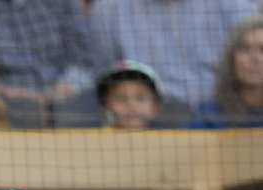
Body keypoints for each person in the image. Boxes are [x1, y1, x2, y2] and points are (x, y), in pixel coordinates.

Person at [89, 0, 257, 110]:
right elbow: (102, 76)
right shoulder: (109, 9)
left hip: (221, 117)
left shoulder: (236, 6)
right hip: (145, 123)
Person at [0, 0, 95, 108]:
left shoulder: (64, 3)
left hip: (68, 106)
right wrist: (6, 93)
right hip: (1, 110)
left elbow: (85, 63)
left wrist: (61, 90)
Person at [191, 17, 263, 129]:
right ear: (231, 59)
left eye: (262, 50)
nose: (254, 58)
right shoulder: (209, 117)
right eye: (245, 49)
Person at [97, 60, 163, 130]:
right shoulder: (94, 139)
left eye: (140, 98)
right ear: (105, 104)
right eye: (121, 98)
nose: (131, 104)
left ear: (155, 106)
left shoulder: (167, 139)